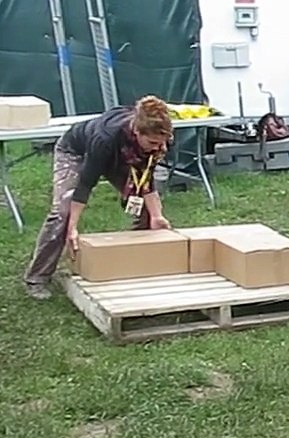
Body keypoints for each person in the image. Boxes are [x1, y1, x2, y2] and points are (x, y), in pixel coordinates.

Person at [23, 95, 175, 299]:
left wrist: (157, 216)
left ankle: (138, 263)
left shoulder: (158, 139)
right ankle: (37, 278)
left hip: (121, 156)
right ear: (137, 131)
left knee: (149, 210)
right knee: (63, 212)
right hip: (76, 151)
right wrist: (73, 227)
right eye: (153, 142)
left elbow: (146, 178)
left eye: (161, 143)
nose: (158, 147)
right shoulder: (105, 138)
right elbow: (85, 184)